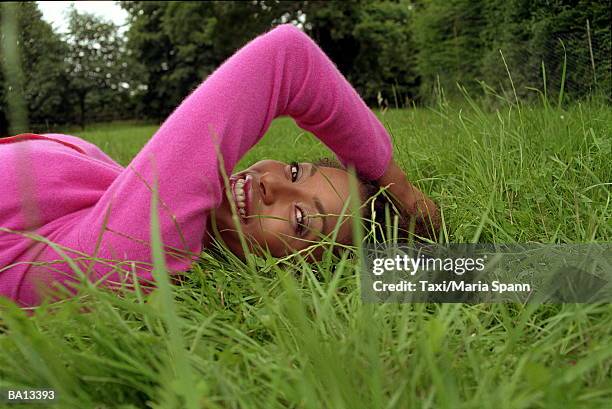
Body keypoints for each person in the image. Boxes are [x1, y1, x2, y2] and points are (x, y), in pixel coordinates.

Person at [0, 24, 439, 308]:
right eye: (293, 172)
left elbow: (286, 56)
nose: (272, 186)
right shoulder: (122, 203)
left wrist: (398, 187)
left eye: (301, 219)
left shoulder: (139, 247)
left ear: (291, 274)